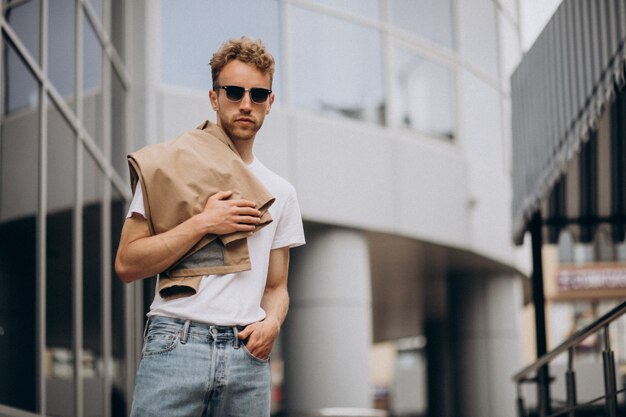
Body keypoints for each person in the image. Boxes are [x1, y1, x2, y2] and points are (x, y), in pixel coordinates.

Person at [115, 37, 305, 417]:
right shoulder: (170, 169)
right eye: (234, 92)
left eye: (257, 94)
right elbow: (127, 263)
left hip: (247, 355)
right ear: (214, 98)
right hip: (176, 343)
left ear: (271, 101)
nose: (246, 104)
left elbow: (276, 286)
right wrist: (205, 222)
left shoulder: (281, 192)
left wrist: (272, 324)